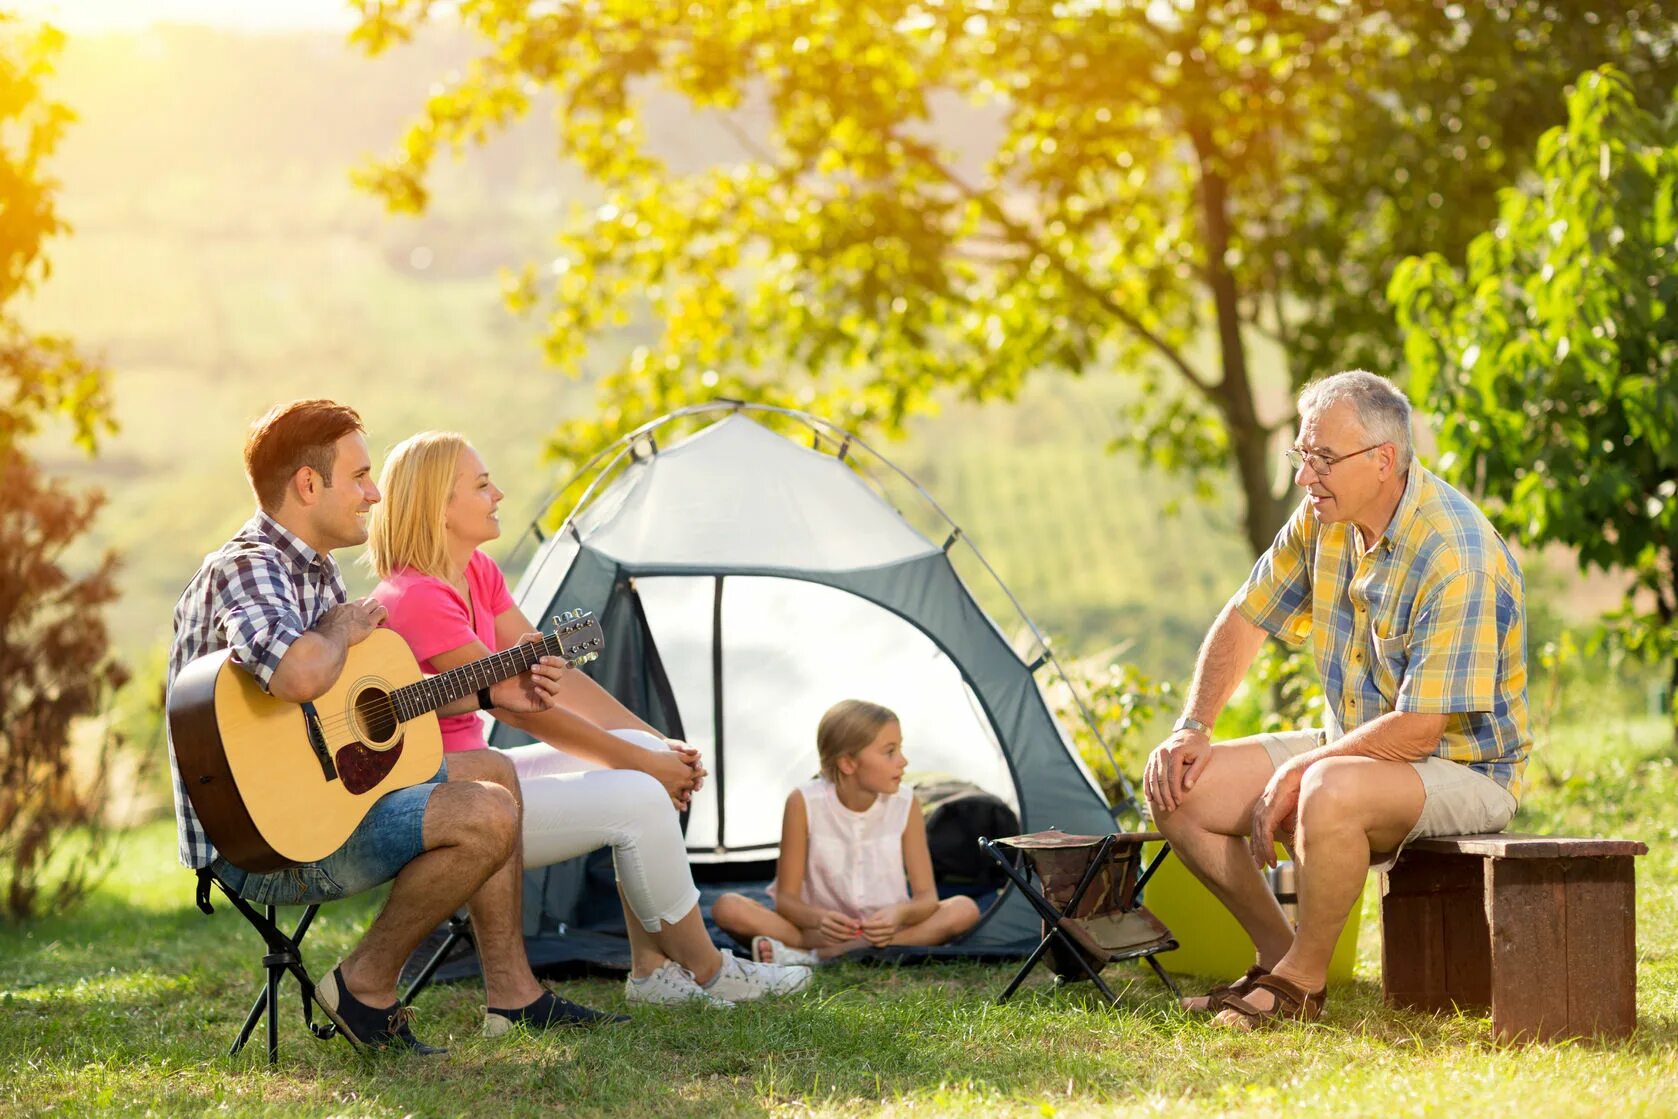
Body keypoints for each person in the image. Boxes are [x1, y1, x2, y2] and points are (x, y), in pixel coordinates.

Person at [165, 399, 578, 1054]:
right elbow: (300, 677)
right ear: (308, 484)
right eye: (358, 476)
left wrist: (498, 692)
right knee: (488, 813)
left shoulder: (316, 572)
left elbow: (357, 711)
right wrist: (337, 627)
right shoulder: (247, 566)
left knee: (493, 771)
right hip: (262, 841)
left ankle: (513, 994)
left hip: (320, 798)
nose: (374, 492)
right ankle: (365, 984)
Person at [365, 431, 813, 1010]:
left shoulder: (476, 571)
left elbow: (546, 676)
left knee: (640, 762)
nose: (498, 493)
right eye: (480, 485)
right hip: (443, 795)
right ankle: (710, 970)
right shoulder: (416, 596)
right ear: (439, 507)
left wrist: (654, 744)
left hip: (483, 773)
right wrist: (641, 763)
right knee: (636, 792)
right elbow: (514, 705)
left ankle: (653, 971)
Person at [1143, 370, 1531, 1030]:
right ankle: (1278, 957)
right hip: (1353, 750)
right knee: (1180, 786)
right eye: (1302, 455)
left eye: (1322, 458)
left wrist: (1301, 770)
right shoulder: (1323, 520)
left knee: (1325, 785)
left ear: (1383, 461)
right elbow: (1245, 618)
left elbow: (1416, 731)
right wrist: (1192, 725)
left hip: (1467, 767)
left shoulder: (1455, 552)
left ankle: (1301, 983)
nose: (1304, 476)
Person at [710, 700, 981, 964]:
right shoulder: (803, 802)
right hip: (816, 933)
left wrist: (899, 913)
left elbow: (926, 898)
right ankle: (843, 951)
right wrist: (819, 920)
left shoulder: (906, 803)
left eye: (900, 748)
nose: (903, 760)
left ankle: (818, 956)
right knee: (727, 907)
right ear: (848, 764)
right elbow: (786, 902)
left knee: (964, 910)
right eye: (890, 751)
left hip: (888, 932)